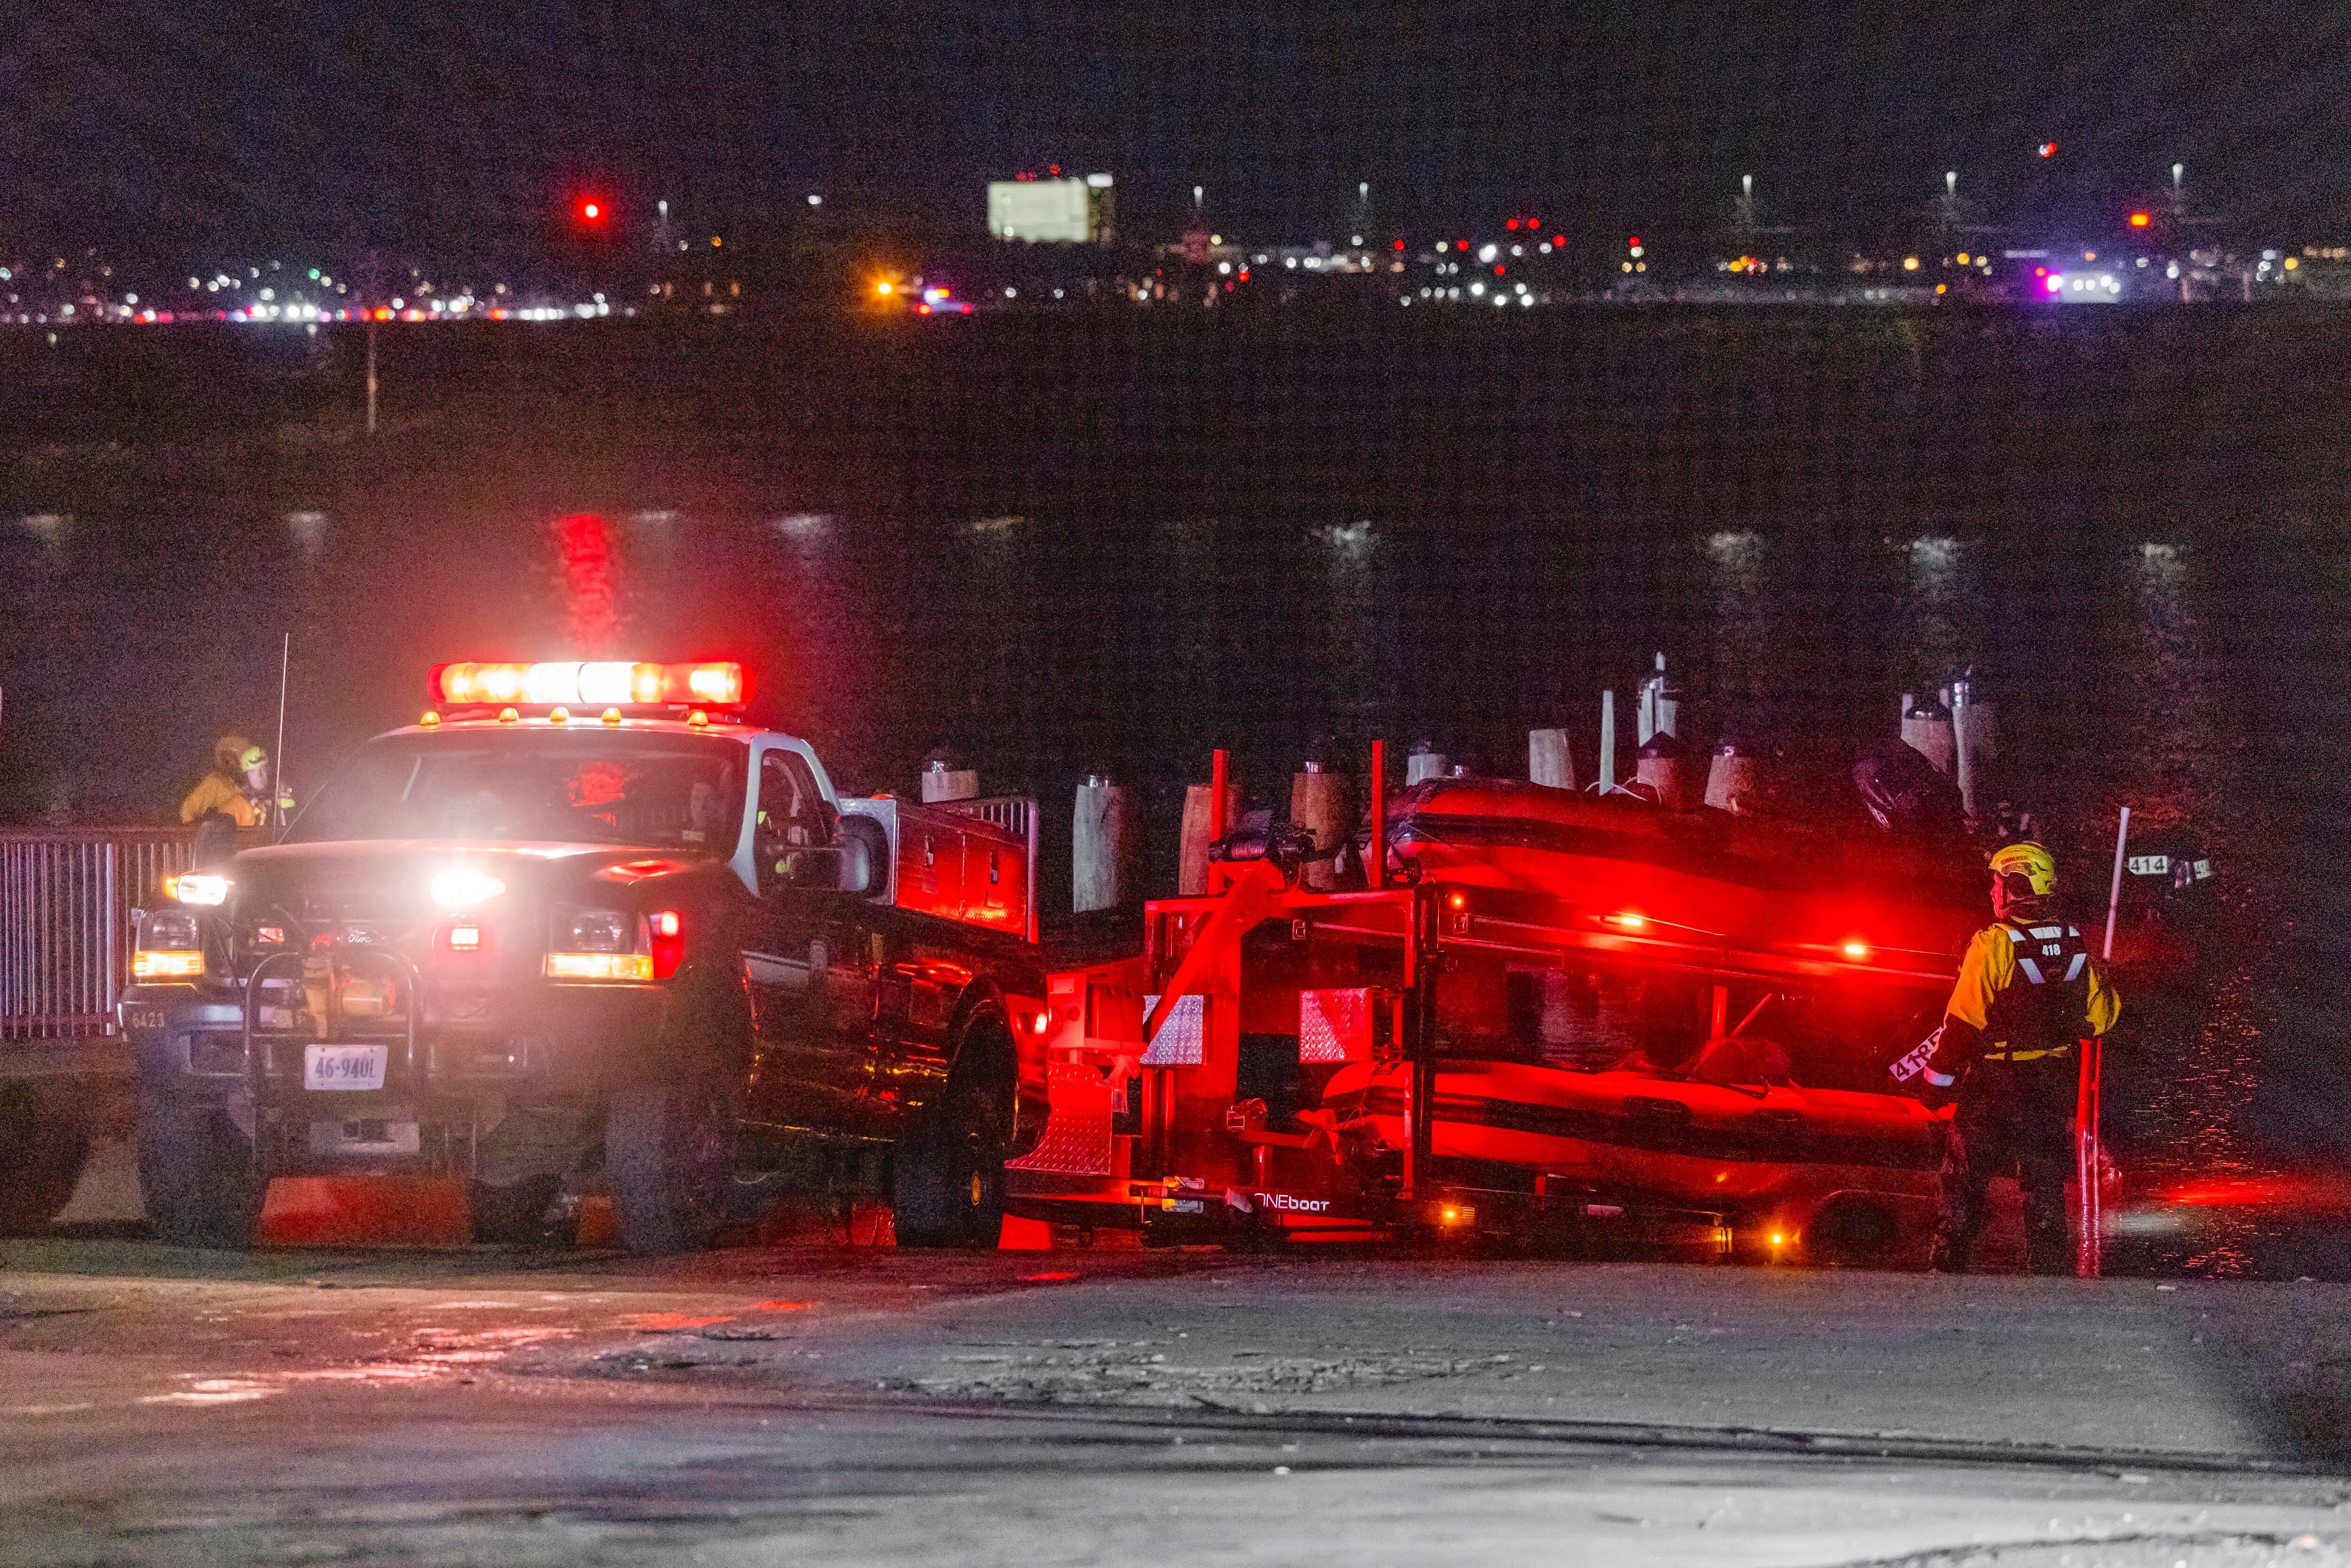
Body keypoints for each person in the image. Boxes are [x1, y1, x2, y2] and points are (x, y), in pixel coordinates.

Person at [1922, 841, 2121, 1273]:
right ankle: (2048, 1272)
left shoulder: (1992, 944)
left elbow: (1962, 1023)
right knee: (2044, 1183)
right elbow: (2100, 1020)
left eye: (1997, 884)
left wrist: (1933, 1087)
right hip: (2050, 1084)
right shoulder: (2075, 943)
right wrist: (2102, 979)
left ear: (2015, 884)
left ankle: (1949, 1270)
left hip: (1995, 1083)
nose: (1993, 893)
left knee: (1964, 1180)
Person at [180, 734, 270, 829]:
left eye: (234, 757)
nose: (230, 762)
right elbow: (187, 812)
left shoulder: (254, 785)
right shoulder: (215, 783)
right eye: (226, 757)